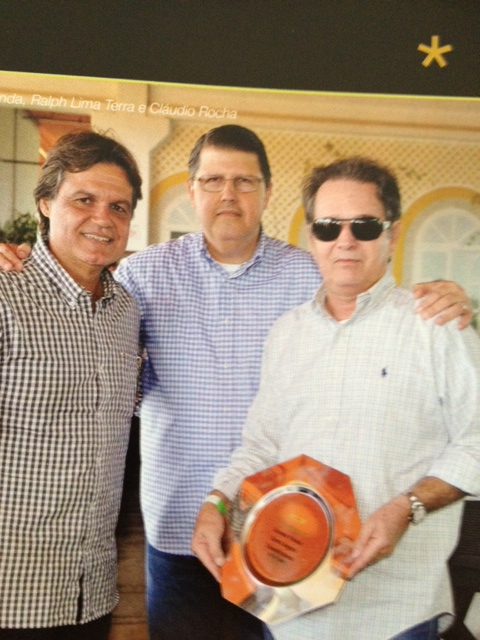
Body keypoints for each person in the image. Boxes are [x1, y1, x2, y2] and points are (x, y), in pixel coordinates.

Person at [0, 126, 472, 640]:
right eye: (213, 180)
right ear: (192, 191)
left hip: (286, 540)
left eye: (245, 182)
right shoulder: (140, 279)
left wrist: (448, 298)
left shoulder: (317, 280)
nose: (229, 194)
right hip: (180, 523)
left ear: (268, 193)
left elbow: (371, 297)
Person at [191, 156, 480, 640]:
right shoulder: (286, 334)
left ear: (392, 234)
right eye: (328, 227)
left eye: (363, 225)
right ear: (312, 237)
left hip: (395, 612)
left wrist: (406, 506)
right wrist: (217, 502)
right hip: (289, 606)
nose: (345, 240)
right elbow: (261, 446)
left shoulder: (436, 326)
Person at [0, 130, 142, 639]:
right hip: (11, 595)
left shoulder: (126, 312)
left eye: (119, 207)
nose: (103, 219)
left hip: (91, 593)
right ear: (45, 202)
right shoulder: (6, 297)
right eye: (84, 200)